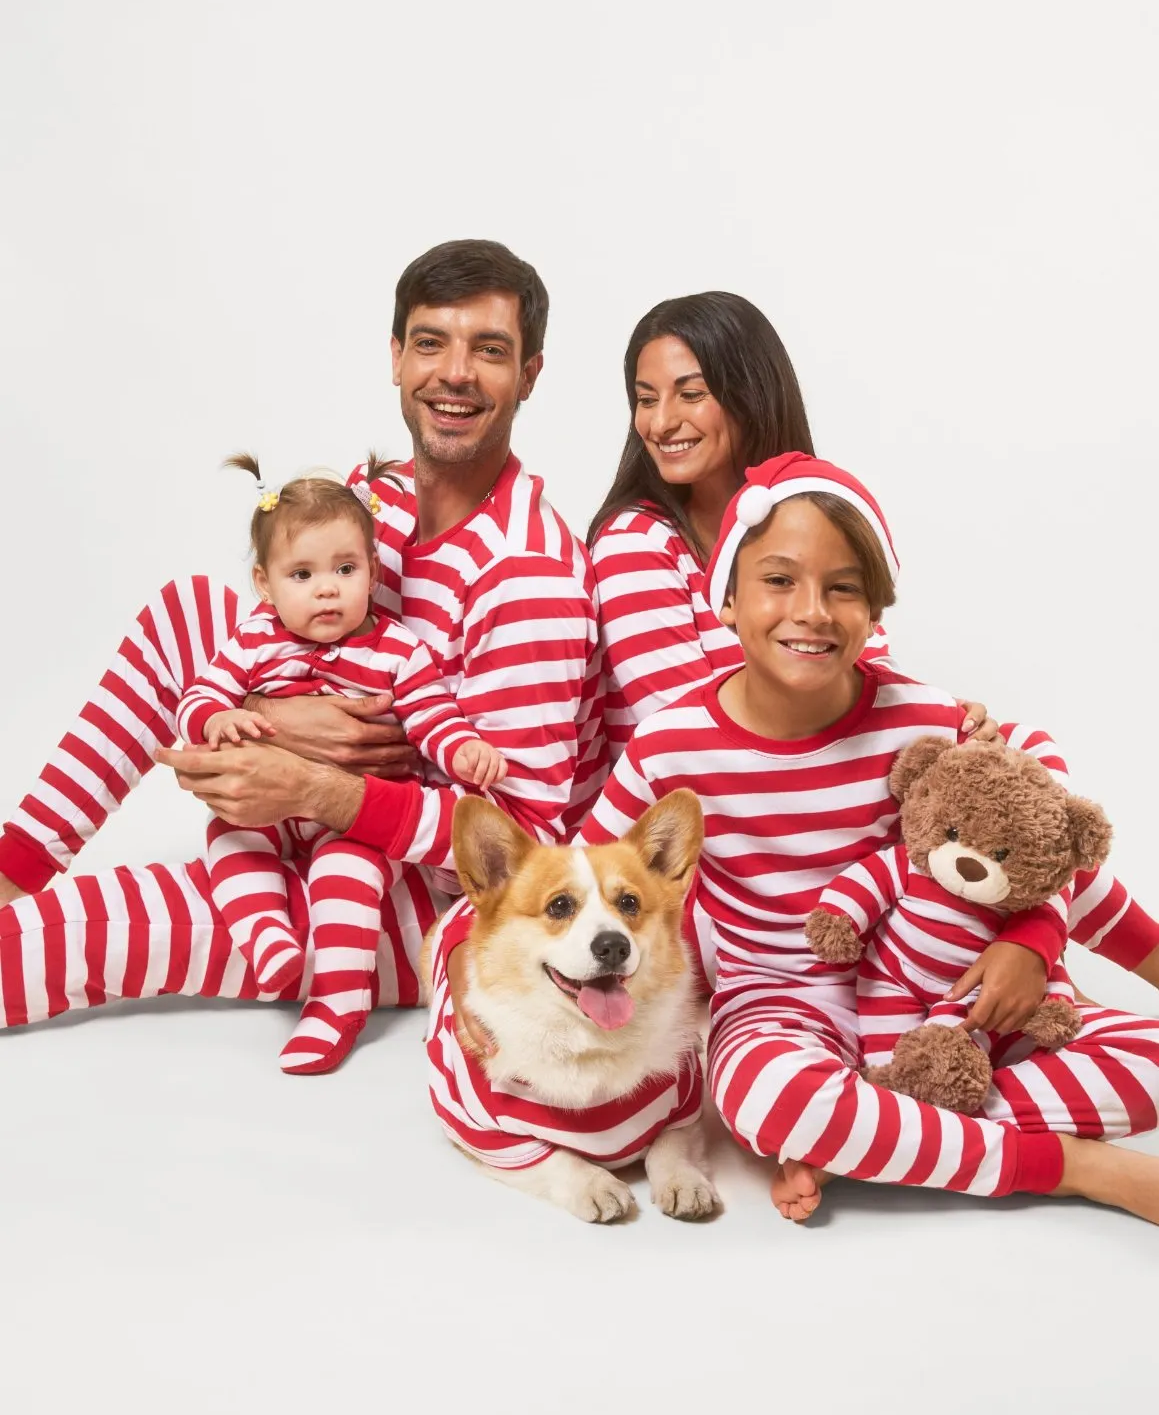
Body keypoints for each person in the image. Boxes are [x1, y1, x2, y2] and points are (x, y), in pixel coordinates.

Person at [0, 239, 606, 1043]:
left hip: (433, 902)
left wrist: (312, 788)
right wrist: (264, 716)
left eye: (488, 350)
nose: (454, 373)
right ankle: (12, 873)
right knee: (188, 612)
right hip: (331, 818)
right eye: (430, 342)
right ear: (396, 357)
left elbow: (523, 844)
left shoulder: (528, 576)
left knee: (80, 931)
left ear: (529, 374)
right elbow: (286, 631)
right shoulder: (375, 506)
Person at [578, 451, 1159, 1225]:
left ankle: (877, 1127)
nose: (811, 610)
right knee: (765, 1102)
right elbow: (584, 881)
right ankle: (1073, 1169)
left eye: (842, 586)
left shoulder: (917, 719)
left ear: (874, 611)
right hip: (779, 1001)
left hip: (943, 994)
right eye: (779, 580)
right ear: (726, 600)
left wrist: (1033, 939)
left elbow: (1040, 800)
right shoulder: (670, 745)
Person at [585, 290, 1159, 992]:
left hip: (837, 826)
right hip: (729, 857)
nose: (661, 421)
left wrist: (945, 733)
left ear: (748, 394)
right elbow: (685, 726)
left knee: (999, 801)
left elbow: (859, 677)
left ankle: (1024, 952)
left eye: (689, 394)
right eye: (644, 399)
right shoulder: (635, 541)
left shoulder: (817, 513)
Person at [175, 453, 507, 1073]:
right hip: (268, 812)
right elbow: (198, 695)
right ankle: (268, 939)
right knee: (229, 836)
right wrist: (218, 718)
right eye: (301, 575)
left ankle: (337, 1002)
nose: (327, 588)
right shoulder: (254, 639)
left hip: (346, 818)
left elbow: (431, 713)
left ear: (373, 571)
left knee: (347, 874)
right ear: (264, 584)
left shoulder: (396, 650)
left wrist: (462, 747)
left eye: (345, 569)